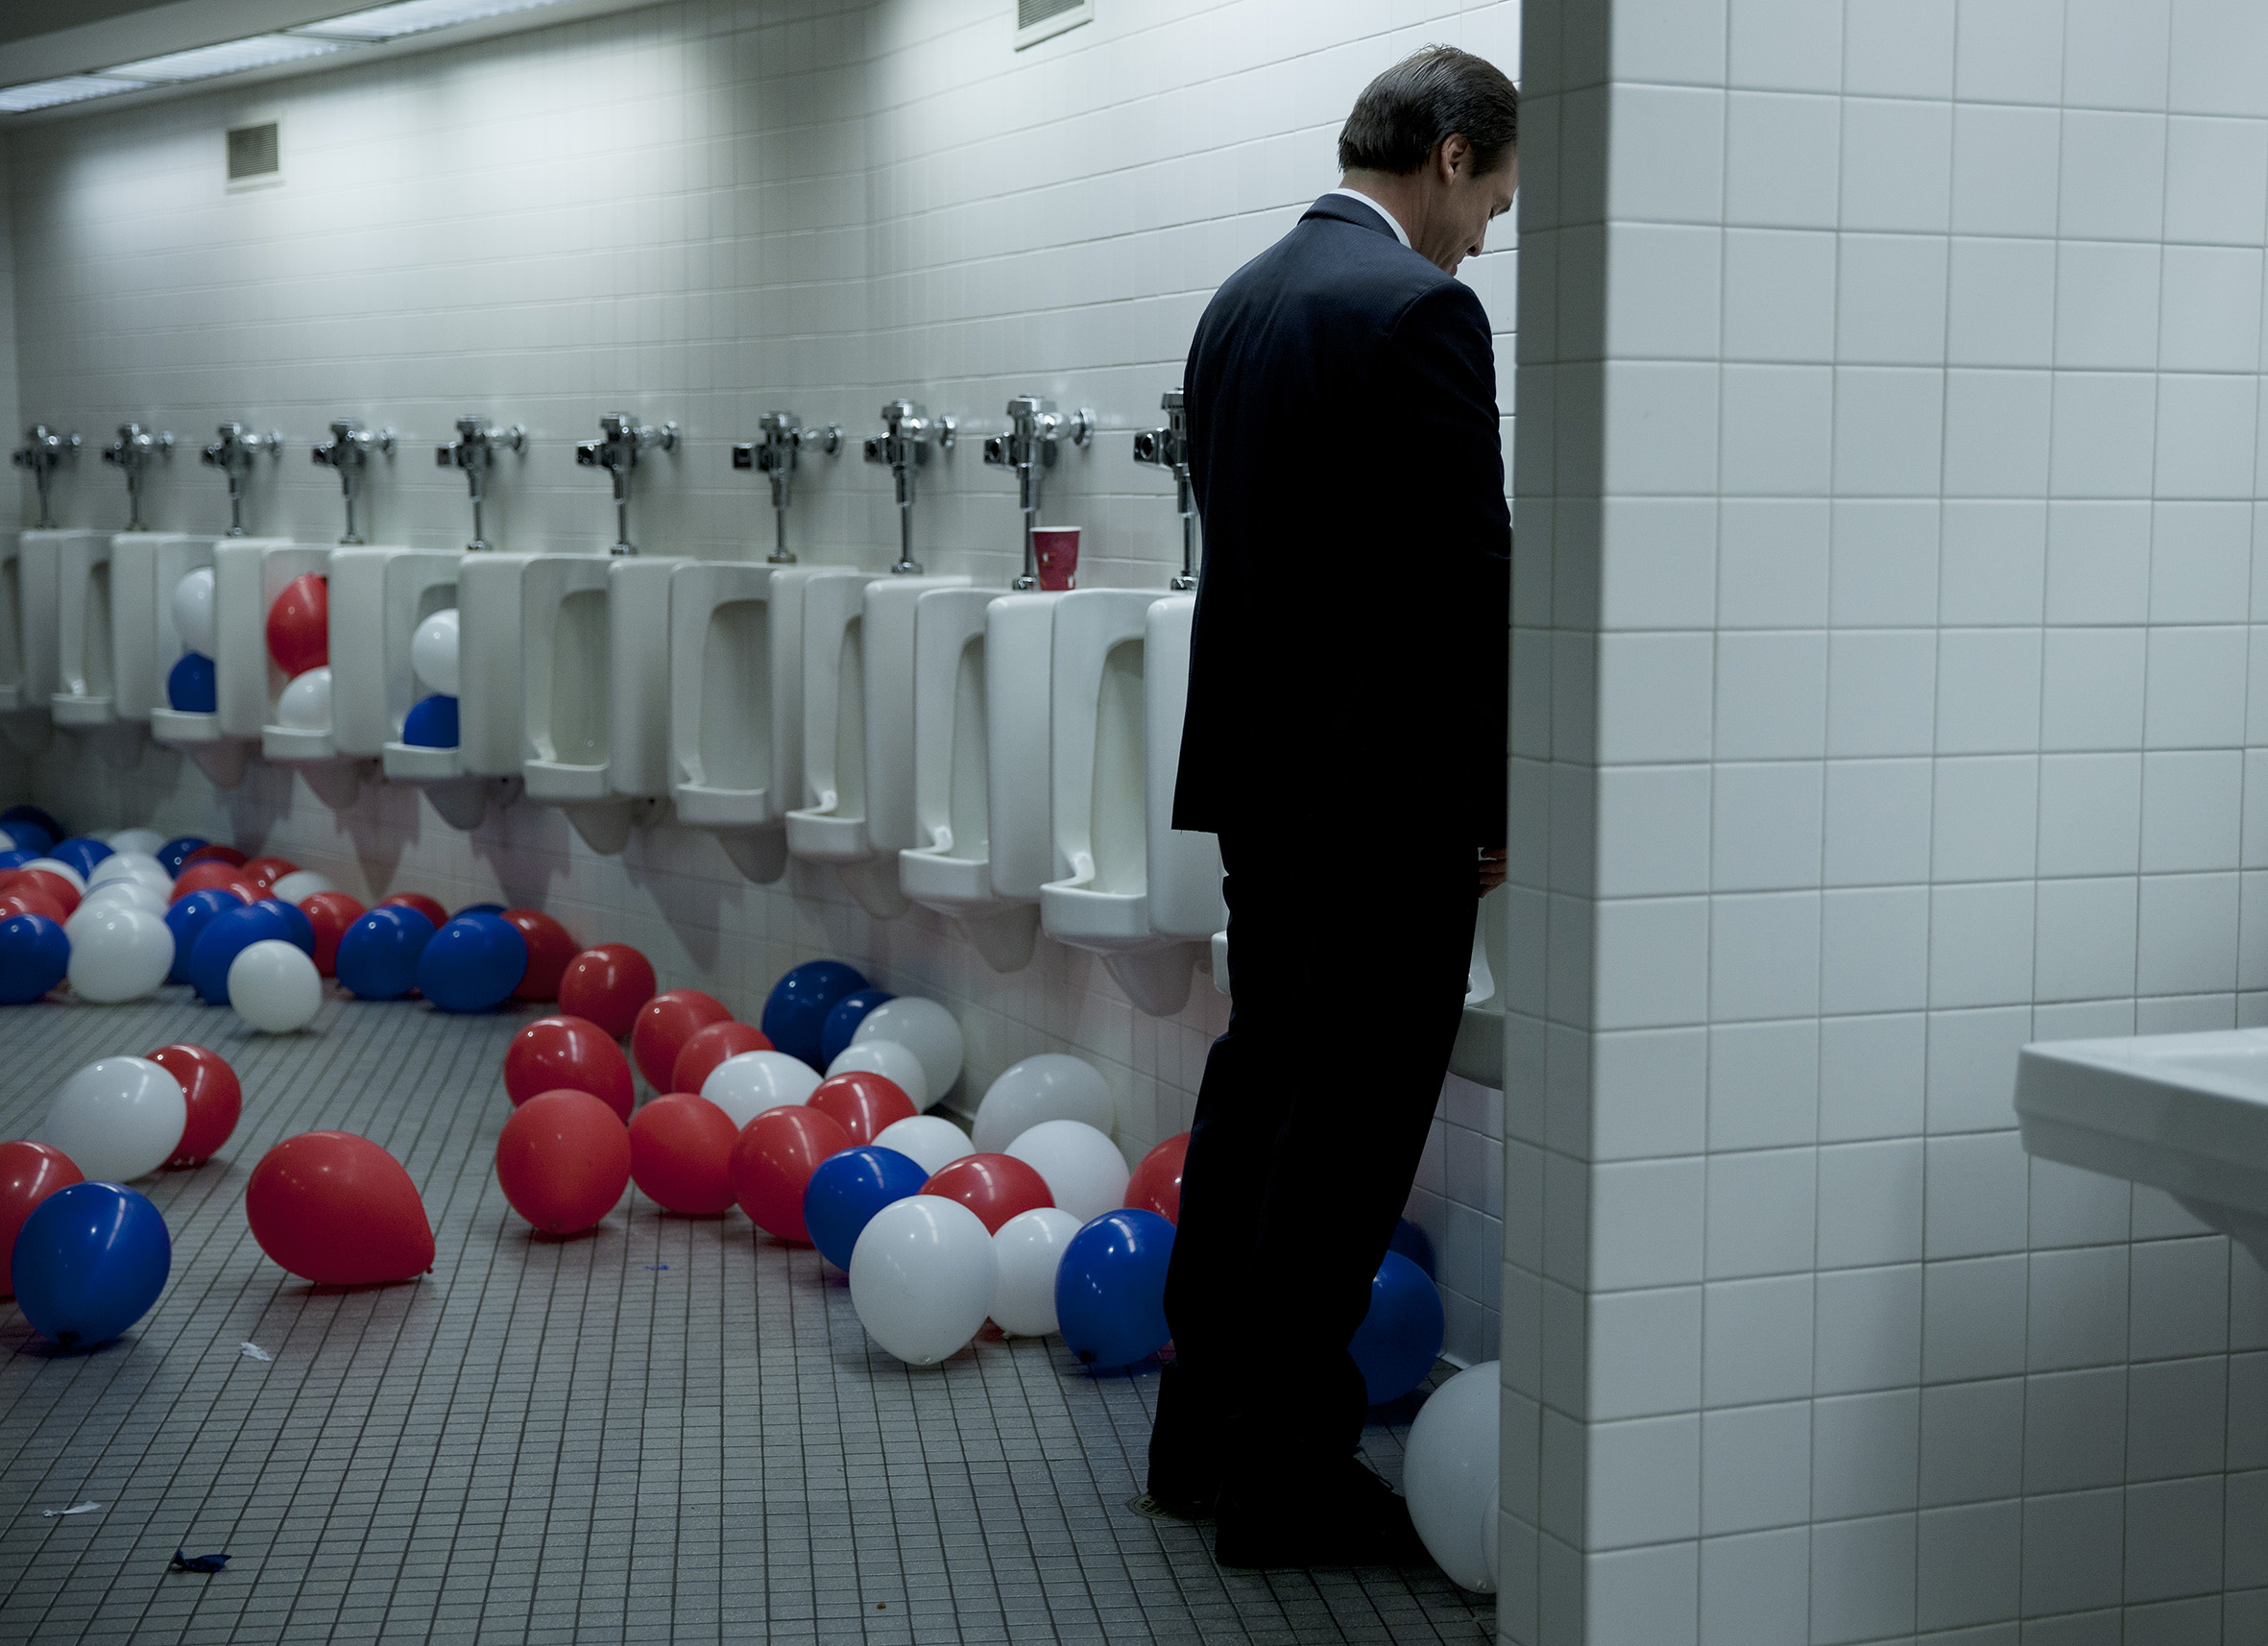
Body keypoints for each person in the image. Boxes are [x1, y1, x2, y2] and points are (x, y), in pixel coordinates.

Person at [1146, 44, 1518, 1569]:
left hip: (1263, 790)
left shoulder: (1239, 299)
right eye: (1493, 194)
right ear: (1445, 154)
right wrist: (1494, 803)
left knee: (1257, 1100)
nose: (1487, 231)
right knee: (1347, 1133)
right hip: (1381, 804)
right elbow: (1465, 583)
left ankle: (1200, 1429)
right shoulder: (1422, 311)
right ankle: (1287, 1477)